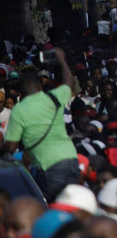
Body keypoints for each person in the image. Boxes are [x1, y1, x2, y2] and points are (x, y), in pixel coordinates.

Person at [2, 49, 80, 201]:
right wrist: (62, 60)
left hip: (48, 166)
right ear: (39, 86)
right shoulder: (53, 98)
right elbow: (69, 83)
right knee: (72, 204)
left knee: (53, 206)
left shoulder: (20, 109)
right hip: (71, 159)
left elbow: (11, 147)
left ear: (20, 93)